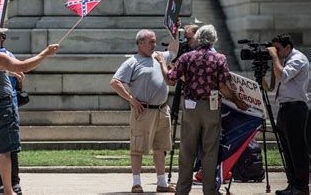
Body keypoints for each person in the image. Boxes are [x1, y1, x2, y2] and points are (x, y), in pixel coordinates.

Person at [155, 24, 248, 195]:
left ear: (198, 38)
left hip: (191, 107)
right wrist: (237, 101)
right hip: (212, 108)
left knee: (187, 150)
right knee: (210, 151)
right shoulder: (219, 58)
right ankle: (209, 190)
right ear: (214, 39)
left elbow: (170, 80)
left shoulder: (187, 57)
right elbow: (223, 85)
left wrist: (162, 63)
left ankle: (182, 190)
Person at [0, 22, 59, 195]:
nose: (2, 39)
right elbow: (24, 66)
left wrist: (8, 73)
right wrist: (46, 53)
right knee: (5, 151)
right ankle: (9, 192)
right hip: (2, 107)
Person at [110, 29, 178, 193]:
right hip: (144, 111)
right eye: (151, 42)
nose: (154, 45)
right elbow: (115, 82)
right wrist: (131, 99)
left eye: (155, 41)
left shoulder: (159, 57)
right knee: (138, 148)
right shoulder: (132, 62)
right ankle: (136, 183)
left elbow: (174, 51)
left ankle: (162, 183)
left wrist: (174, 31)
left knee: (161, 148)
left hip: (162, 110)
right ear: (140, 43)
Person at [267, 33, 309, 195]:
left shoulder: (298, 59)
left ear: (288, 47)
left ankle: (301, 187)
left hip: (296, 109)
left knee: (297, 150)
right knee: (287, 149)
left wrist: (274, 57)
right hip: (285, 109)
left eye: (278, 49)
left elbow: (283, 76)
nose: (275, 52)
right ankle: (292, 185)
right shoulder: (284, 59)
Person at [0, 42, 24, 195]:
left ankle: (4, 185)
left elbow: (19, 78)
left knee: (4, 148)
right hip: (3, 105)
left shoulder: (0, 55)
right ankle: (6, 184)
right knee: (7, 148)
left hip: (4, 105)